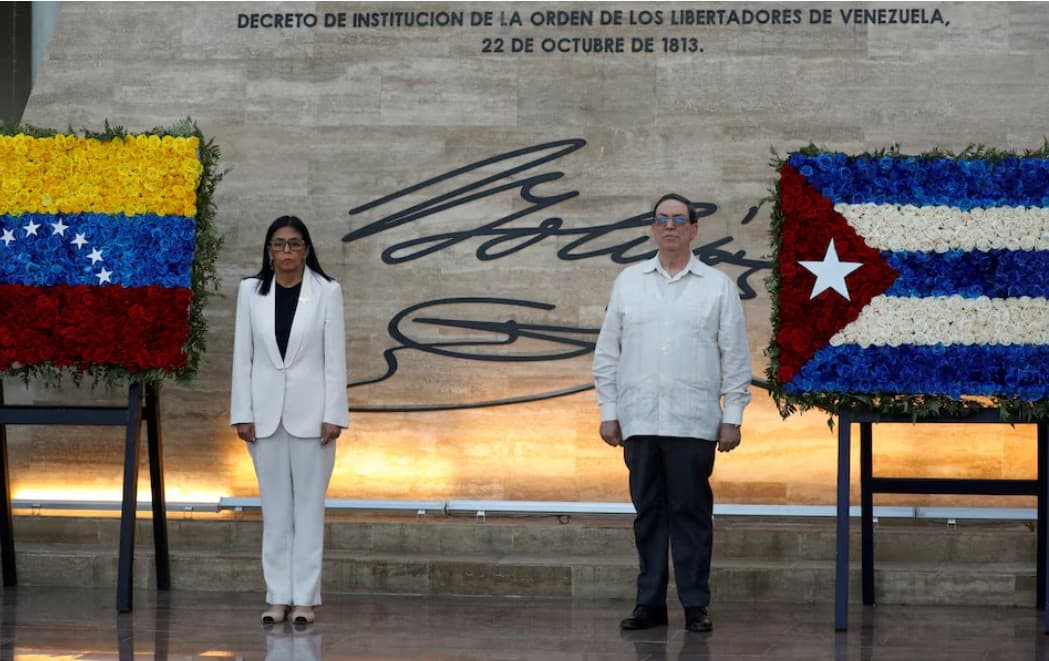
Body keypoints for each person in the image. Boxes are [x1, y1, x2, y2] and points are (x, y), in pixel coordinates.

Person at [592, 193, 752, 633]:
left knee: (691, 513)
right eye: (661, 219)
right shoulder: (628, 282)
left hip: (693, 421)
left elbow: (734, 356)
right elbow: (608, 353)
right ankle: (649, 605)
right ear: (652, 228)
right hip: (639, 419)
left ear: (694, 229)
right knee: (648, 514)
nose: (670, 226)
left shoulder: (717, 286)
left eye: (679, 219)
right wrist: (609, 410)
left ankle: (695, 604)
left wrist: (732, 415)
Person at [230, 215, 349, 626]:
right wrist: (241, 413)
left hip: (314, 418)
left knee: (309, 510)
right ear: (268, 251)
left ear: (307, 249)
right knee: (275, 511)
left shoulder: (327, 292)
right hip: (263, 418)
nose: (286, 252)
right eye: (279, 244)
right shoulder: (250, 291)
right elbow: (242, 356)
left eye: (294, 244)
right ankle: (278, 597)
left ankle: (305, 601)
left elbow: (335, 359)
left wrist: (334, 415)